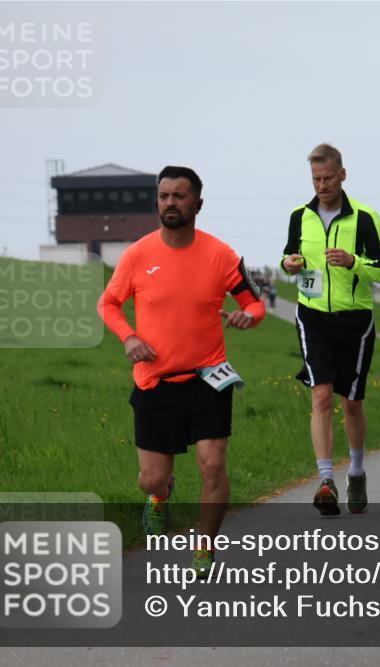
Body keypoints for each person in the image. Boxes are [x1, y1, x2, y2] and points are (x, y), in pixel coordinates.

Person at [98, 165, 266, 575]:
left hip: (209, 378)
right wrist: (128, 337)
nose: (170, 202)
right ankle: (160, 496)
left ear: (198, 203)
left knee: (213, 464)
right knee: (151, 478)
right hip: (154, 382)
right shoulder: (138, 255)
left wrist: (249, 316)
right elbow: (108, 303)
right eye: (164, 196)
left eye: (179, 195)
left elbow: (254, 303)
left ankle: (205, 547)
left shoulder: (221, 254)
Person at [281, 144, 380, 515]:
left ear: (342, 175)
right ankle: (326, 480)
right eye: (316, 179)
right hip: (312, 315)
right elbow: (287, 256)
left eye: (328, 178)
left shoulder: (365, 218)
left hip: (355, 319)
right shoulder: (299, 216)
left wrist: (353, 261)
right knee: (321, 396)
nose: (322, 185)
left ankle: (356, 472)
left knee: (352, 403)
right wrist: (289, 264)